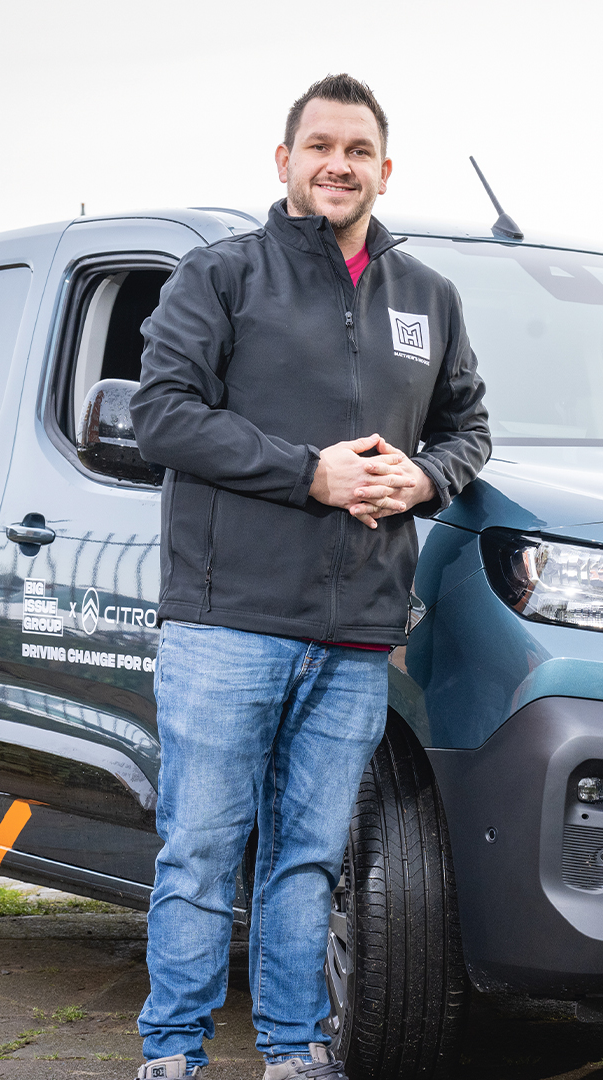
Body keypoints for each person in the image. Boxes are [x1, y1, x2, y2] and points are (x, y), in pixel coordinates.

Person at [129, 74, 490, 1080]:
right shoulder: (221, 277)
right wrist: (309, 473)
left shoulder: (429, 297)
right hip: (228, 621)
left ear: (385, 167)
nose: (339, 164)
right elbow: (160, 416)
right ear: (283, 161)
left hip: (357, 630)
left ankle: (294, 1053)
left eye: (359, 149)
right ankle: (174, 1056)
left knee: (310, 859)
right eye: (320, 145)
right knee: (201, 854)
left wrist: (426, 475)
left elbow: (471, 429)